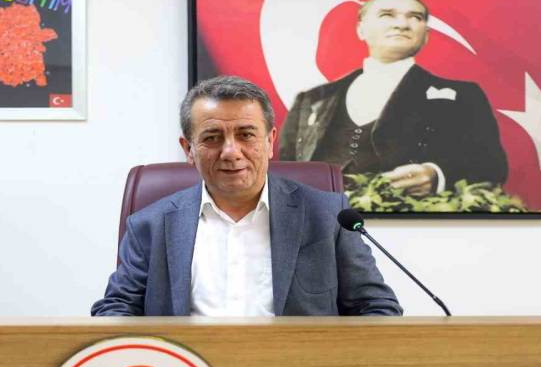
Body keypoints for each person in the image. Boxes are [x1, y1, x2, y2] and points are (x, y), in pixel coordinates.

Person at [91, 76, 401, 317]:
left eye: (246, 135)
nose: (230, 151)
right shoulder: (150, 224)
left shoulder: (327, 216)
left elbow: (377, 307)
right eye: (212, 138)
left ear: (270, 141)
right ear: (189, 150)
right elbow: (116, 310)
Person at [278, 0, 508, 197]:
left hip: (409, 223)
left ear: (426, 35)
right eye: (387, 15)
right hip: (320, 220)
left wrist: (436, 174)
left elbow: (492, 166)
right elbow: (285, 170)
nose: (402, 24)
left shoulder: (464, 96)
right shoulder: (312, 99)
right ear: (361, 29)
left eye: (415, 17)